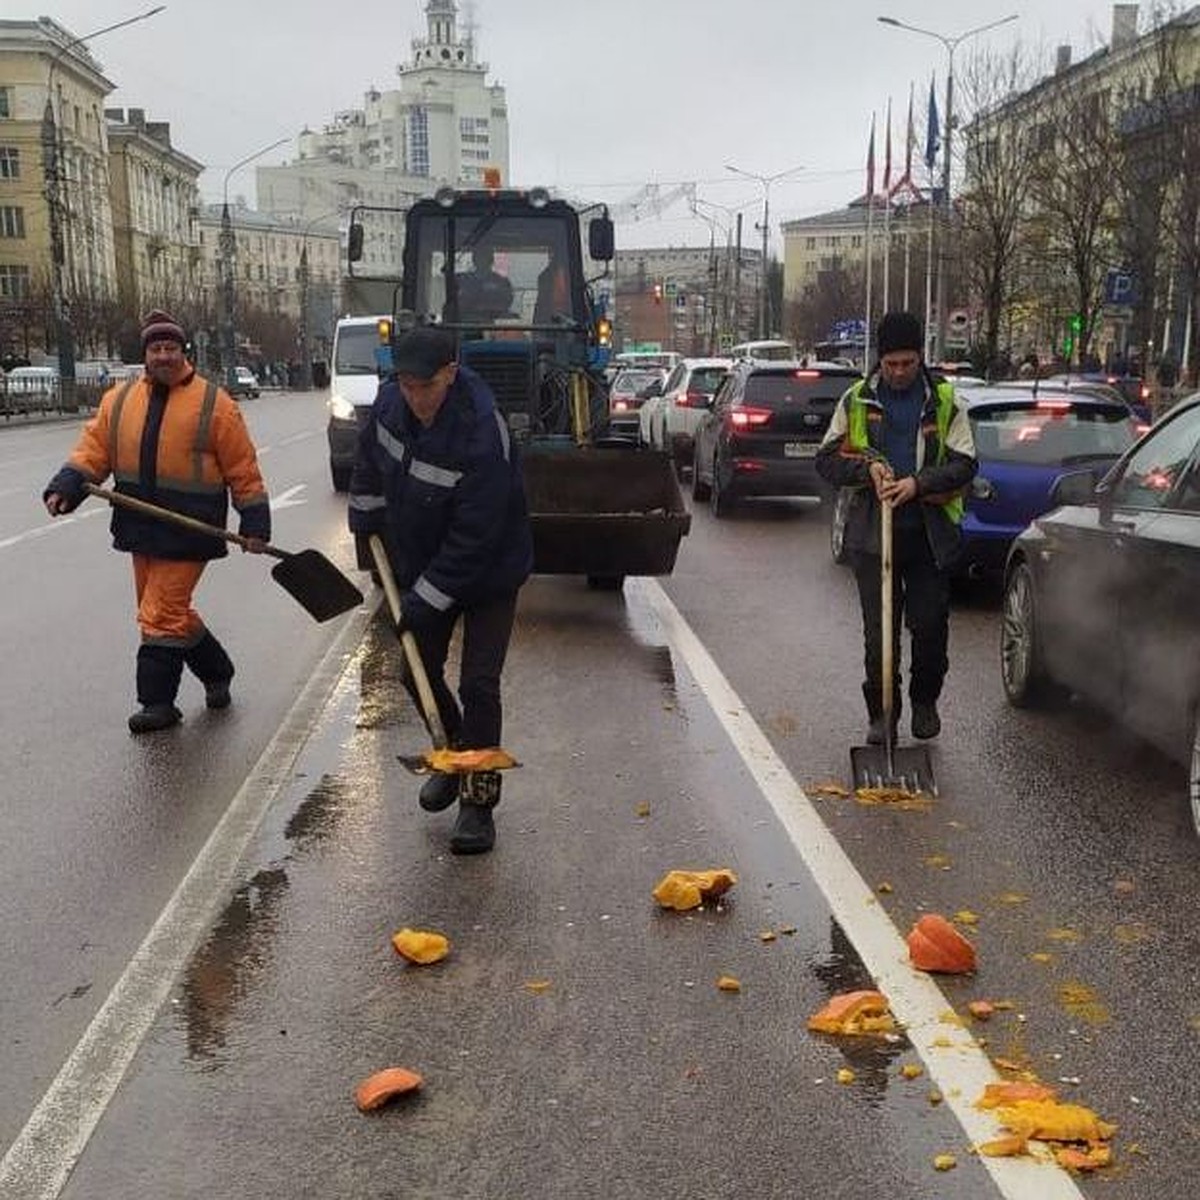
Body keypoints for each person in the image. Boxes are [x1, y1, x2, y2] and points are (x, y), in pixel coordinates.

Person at [348, 326, 532, 855]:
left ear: (450, 374)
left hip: (490, 570)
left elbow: (476, 537)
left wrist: (424, 600)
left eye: (423, 385)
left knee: (478, 684)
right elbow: (368, 467)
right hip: (422, 558)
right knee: (414, 670)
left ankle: (478, 805)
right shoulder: (389, 408)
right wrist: (367, 522)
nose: (413, 395)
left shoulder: (481, 432)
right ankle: (453, 754)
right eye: (404, 383)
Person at [43, 310, 271, 734]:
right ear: (145, 354)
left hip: (190, 528)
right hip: (140, 525)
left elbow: (242, 467)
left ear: (183, 352)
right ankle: (218, 671)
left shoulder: (214, 403)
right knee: (168, 612)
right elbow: (93, 451)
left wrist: (254, 521)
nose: (163, 356)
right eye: (155, 349)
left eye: (170, 348)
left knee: (160, 615)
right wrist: (67, 486)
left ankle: (157, 704)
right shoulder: (120, 400)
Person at [816, 311, 977, 743]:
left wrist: (918, 484)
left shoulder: (945, 400)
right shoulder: (856, 400)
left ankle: (925, 702)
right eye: (892, 364)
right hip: (873, 535)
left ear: (920, 358)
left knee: (929, 628)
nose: (900, 372)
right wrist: (868, 469)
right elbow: (827, 459)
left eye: (907, 363)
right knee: (879, 636)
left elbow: (965, 463)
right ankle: (883, 715)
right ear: (880, 360)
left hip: (927, 535)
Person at [455, 244, 514, 323]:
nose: (481, 260)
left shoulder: (501, 282)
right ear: (474, 259)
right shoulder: (462, 280)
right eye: (479, 257)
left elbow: (506, 304)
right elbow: (455, 304)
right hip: (464, 323)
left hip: (492, 323)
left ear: (491, 260)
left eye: (485, 257)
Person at [533, 244, 571, 326]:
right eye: (550, 254)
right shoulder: (544, 277)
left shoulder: (574, 276)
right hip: (550, 324)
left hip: (572, 324)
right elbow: (541, 304)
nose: (551, 256)